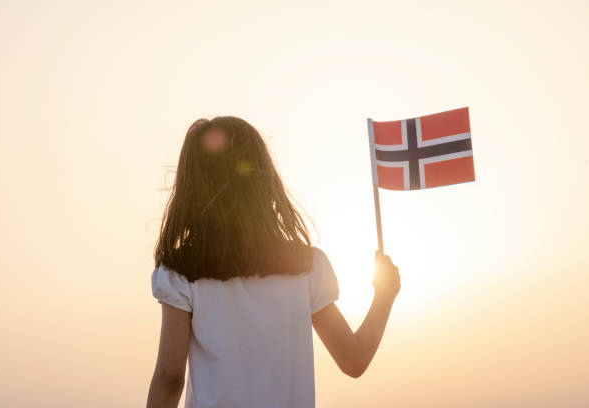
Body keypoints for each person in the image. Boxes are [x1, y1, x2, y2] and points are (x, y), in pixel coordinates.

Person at [146, 116, 401, 408]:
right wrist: (384, 295)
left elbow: (169, 379)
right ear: (264, 181)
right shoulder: (306, 267)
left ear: (191, 186)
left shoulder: (182, 272)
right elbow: (354, 360)